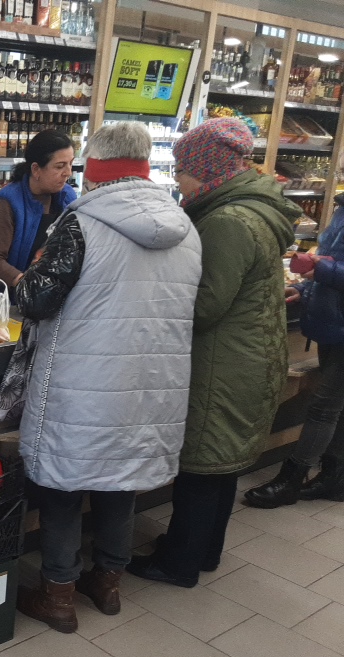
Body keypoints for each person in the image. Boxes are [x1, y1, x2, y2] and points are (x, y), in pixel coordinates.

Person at [15, 122, 202, 633]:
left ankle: (58, 595)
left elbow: (35, 299)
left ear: (95, 169)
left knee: (62, 485)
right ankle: (108, 582)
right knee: (122, 482)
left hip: (85, 382)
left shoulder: (80, 225)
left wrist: (33, 271)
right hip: (151, 386)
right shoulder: (185, 227)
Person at [128, 117, 300, 588]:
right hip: (246, 357)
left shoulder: (227, 222)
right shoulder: (250, 209)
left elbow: (205, 306)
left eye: (183, 170)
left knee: (203, 465)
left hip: (224, 364)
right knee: (223, 465)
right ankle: (203, 552)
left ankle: (179, 563)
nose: (179, 180)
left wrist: (152, 295)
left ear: (207, 170)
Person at [244, 194, 344, 507]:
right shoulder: (342, 208)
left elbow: (328, 266)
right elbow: (330, 258)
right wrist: (303, 289)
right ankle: (334, 477)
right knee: (335, 405)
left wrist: (321, 270)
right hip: (332, 320)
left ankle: (291, 480)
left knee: (325, 406)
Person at [0, 130, 77, 289]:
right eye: (60, 166)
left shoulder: (68, 197)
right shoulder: (8, 201)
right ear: (36, 169)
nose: (68, 173)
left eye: (71, 163)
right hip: (5, 295)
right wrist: (27, 285)